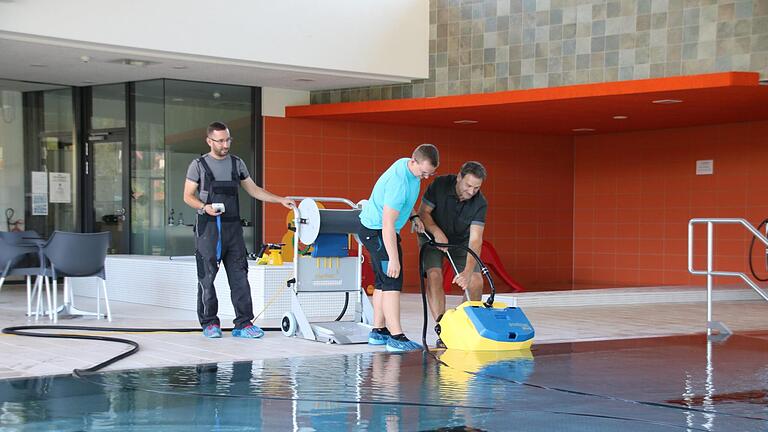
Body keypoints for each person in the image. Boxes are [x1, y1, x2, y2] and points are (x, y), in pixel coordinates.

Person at [184, 121, 294, 339]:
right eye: (221, 140)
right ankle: (209, 323)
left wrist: (279, 199)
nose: (225, 144)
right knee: (207, 279)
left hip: (233, 229)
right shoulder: (198, 165)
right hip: (208, 230)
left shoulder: (237, 164)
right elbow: (187, 196)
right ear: (209, 141)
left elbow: (253, 189)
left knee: (240, 277)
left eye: (228, 140)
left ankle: (243, 324)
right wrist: (204, 207)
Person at [358, 143, 438, 352]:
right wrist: (393, 259)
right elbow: (387, 225)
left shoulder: (407, 166)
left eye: (429, 174)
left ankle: (378, 331)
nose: (425, 177)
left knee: (383, 282)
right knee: (392, 279)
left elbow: (404, 202)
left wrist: (413, 216)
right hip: (378, 231)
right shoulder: (399, 182)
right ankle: (397, 337)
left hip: (378, 229)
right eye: (423, 172)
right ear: (414, 162)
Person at [417, 161, 487, 347]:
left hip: (461, 241)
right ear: (459, 178)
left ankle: (466, 324)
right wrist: (437, 232)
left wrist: (467, 272)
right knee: (434, 275)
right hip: (432, 236)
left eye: (476, 187)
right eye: (468, 185)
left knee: (476, 280)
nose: (472, 191)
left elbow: (475, 240)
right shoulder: (440, 185)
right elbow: (423, 213)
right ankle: (443, 329)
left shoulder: (480, 203)